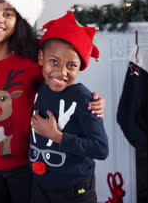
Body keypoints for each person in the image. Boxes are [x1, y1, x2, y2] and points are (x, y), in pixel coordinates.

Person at [0, 0, 105, 203]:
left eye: (8, 13)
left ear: (19, 20)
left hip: (26, 165)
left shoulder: (31, 64)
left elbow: (60, 83)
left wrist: (93, 103)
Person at [29, 11, 109, 203]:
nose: (61, 72)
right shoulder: (38, 87)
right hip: (40, 186)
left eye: (71, 65)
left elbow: (101, 149)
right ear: (41, 58)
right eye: (54, 61)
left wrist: (57, 136)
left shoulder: (84, 99)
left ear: (80, 67)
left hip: (75, 191)